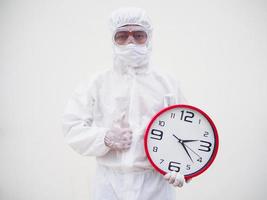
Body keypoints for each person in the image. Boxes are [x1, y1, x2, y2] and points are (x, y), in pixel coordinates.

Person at [63, 7, 190, 200]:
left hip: (155, 184)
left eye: (139, 35)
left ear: (149, 39)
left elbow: (186, 130)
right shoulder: (97, 83)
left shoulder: (167, 83)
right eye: (122, 35)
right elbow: (71, 128)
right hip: (108, 184)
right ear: (113, 40)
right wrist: (104, 137)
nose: (130, 41)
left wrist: (184, 168)